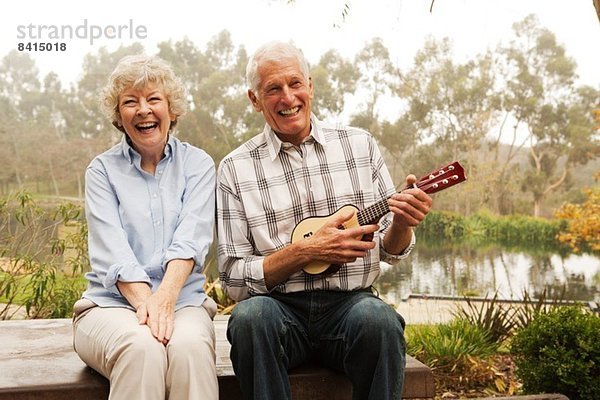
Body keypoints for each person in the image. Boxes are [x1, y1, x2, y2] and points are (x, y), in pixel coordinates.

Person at [216, 41, 433, 400]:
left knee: (380, 323)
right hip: (279, 310)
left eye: (295, 83)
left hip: (351, 306)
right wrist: (303, 252)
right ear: (254, 99)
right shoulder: (235, 169)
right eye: (273, 89)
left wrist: (403, 222)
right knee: (250, 320)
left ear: (311, 85)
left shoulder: (359, 146)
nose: (288, 98)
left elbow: (391, 252)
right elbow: (233, 280)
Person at [72, 54, 218, 400]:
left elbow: (190, 242)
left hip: (183, 302)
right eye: (130, 102)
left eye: (153, 99)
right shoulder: (101, 172)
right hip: (108, 307)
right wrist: (149, 308)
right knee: (143, 348)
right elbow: (114, 254)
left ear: (171, 109)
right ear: (119, 117)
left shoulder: (198, 165)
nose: (143, 110)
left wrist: (165, 300)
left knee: (190, 350)